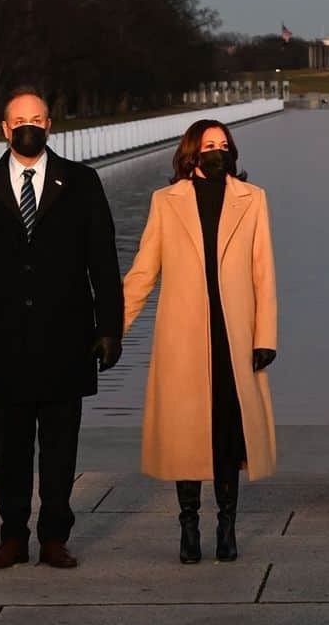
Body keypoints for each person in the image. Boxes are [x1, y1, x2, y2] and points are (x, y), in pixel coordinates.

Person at [0, 86, 124, 570]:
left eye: (38, 117)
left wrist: (111, 327)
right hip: (3, 339)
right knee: (10, 449)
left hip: (66, 337)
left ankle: (53, 536)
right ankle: (12, 536)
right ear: (4, 129)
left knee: (60, 447)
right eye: (19, 119)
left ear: (50, 125)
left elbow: (103, 261)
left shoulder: (82, 182)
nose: (29, 125)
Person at [122, 119, 277, 564]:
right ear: (191, 152)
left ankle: (226, 526)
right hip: (184, 335)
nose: (217, 151)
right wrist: (113, 327)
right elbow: (143, 271)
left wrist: (264, 334)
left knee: (229, 434)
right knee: (187, 436)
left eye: (223, 145)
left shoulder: (253, 199)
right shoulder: (166, 202)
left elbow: (263, 273)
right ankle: (188, 526)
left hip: (235, 334)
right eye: (209, 145)